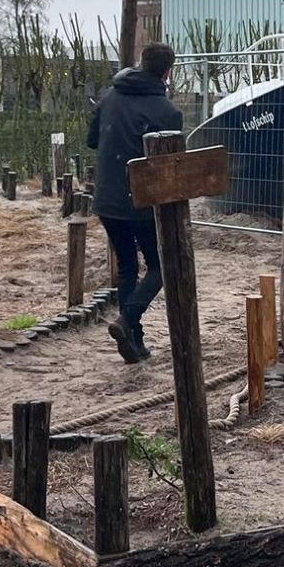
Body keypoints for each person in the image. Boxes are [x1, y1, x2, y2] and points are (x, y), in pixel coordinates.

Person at [88, 43, 183, 363]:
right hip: (141, 203)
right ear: (168, 71)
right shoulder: (168, 111)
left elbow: (91, 140)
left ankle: (134, 344)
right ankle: (128, 319)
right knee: (161, 266)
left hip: (106, 200)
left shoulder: (110, 96)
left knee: (128, 266)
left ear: (142, 63)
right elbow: (171, 164)